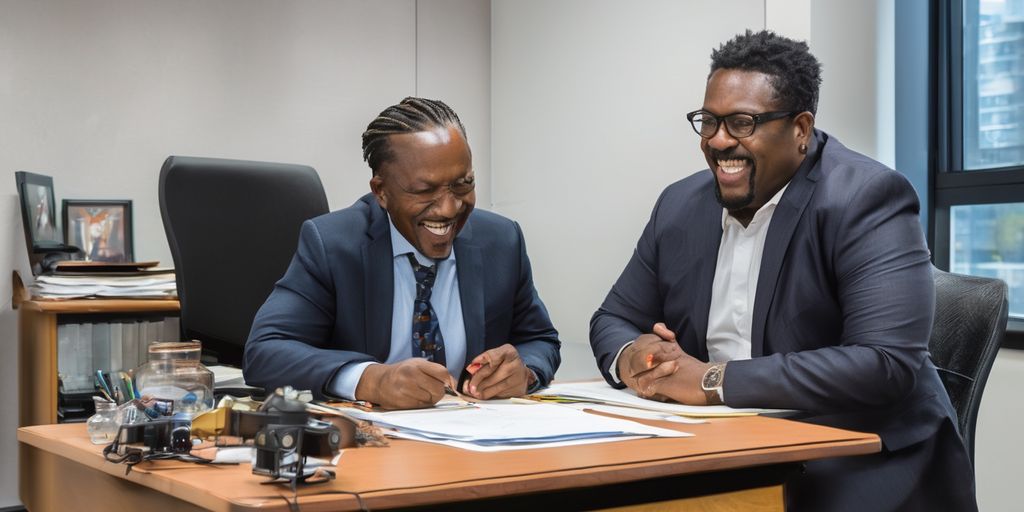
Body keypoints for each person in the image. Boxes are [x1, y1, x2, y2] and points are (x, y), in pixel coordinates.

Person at [589, 30, 977, 511]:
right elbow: (611, 318)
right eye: (708, 121)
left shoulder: (866, 198)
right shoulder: (679, 205)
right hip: (717, 444)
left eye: (742, 123)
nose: (718, 141)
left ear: (800, 128)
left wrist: (713, 380)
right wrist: (632, 356)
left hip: (857, 454)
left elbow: (883, 362)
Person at [245, 97, 561, 409]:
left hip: (476, 438)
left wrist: (525, 372)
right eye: (425, 191)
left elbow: (540, 340)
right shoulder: (333, 244)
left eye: (463, 185)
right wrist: (371, 379)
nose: (449, 208)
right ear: (381, 191)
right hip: (372, 443)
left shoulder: (501, 241)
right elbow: (265, 351)